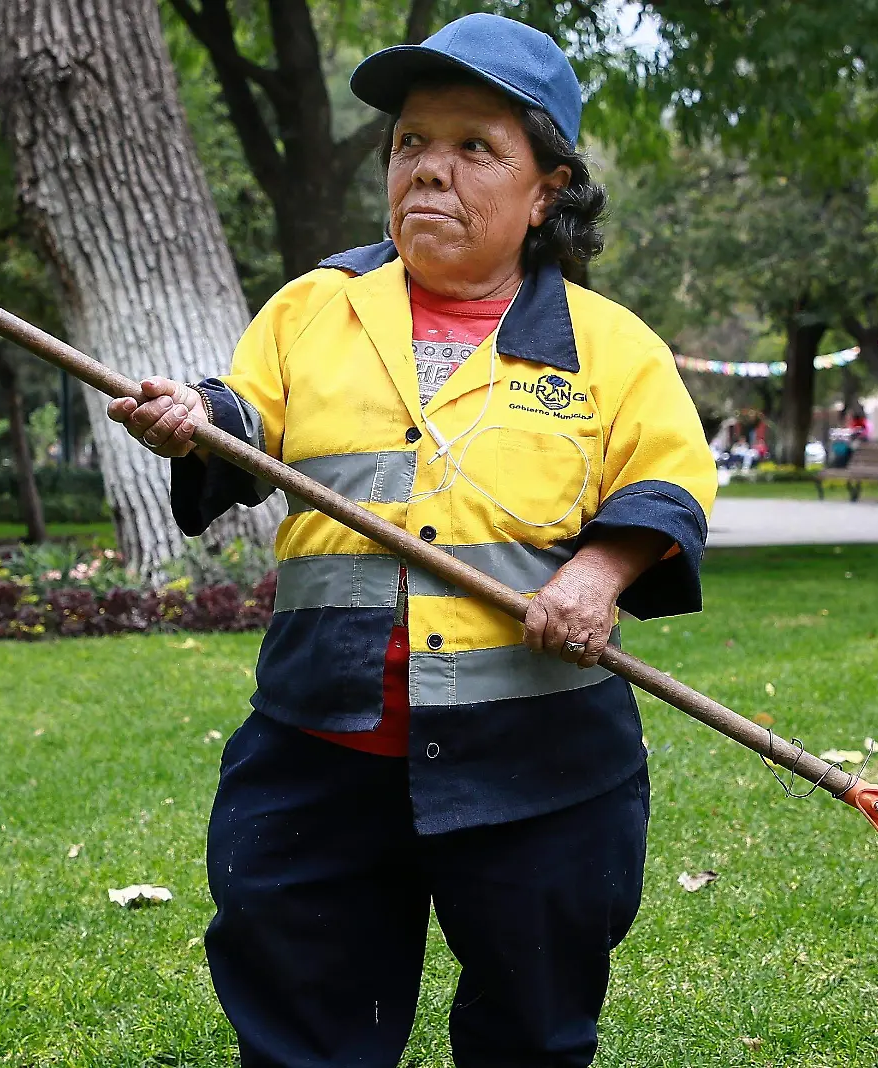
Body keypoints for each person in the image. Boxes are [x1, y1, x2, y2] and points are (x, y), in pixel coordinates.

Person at [106, 13, 715, 1066]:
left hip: (541, 769)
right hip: (319, 755)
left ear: (549, 190)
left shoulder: (612, 347)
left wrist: (598, 572)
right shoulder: (314, 309)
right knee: (306, 1029)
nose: (429, 171)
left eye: (474, 148)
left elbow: (667, 485)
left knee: (533, 1029)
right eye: (410, 144)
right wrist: (198, 418)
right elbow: (246, 415)